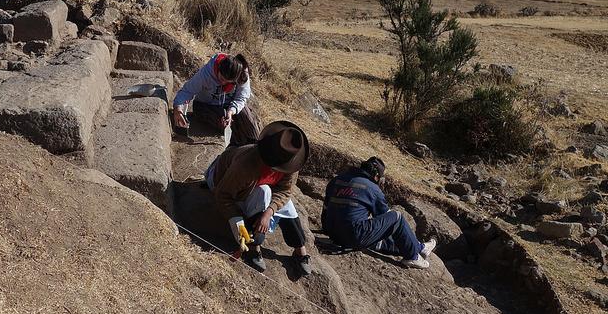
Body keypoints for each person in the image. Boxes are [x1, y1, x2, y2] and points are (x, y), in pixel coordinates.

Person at [205, 120, 311, 276]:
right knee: (263, 192)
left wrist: (268, 213)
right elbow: (223, 194)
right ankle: (254, 247)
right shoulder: (246, 165)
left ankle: (299, 248)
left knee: (287, 205)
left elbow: (285, 190)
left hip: (252, 189)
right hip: (220, 180)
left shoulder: (290, 163)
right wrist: (237, 222)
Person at [322, 157, 436, 269]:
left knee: (377, 238)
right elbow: (386, 219)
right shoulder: (372, 188)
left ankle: (420, 247)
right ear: (376, 176)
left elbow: (325, 210)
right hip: (354, 236)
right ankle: (413, 256)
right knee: (396, 217)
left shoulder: (336, 180)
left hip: (334, 234)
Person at [173, 53, 259, 146]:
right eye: (222, 78)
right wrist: (178, 108)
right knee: (225, 124)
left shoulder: (241, 74)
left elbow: (241, 97)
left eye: (228, 82)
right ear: (219, 69)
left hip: (229, 105)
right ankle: (235, 149)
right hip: (206, 105)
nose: (223, 82)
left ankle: (257, 146)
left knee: (247, 118)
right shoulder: (206, 73)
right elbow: (187, 91)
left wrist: (231, 111)